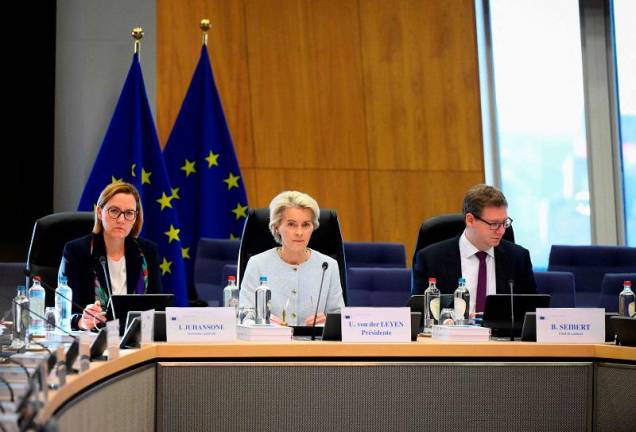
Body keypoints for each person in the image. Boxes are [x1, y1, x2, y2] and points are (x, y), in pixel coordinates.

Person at [412, 184, 536, 316]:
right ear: (470, 220)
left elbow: (532, 313)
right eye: (494, 224)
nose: (501, 231)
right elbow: (419, 316)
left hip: (500, 335)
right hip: (451, 335)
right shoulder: (431, 259)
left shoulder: (518, 258)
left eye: (505, 223)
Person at [58, 182, 162, 330]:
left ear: (135, 218)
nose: (121, 220)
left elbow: (157, 307)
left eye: (129, 213)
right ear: (100, 213)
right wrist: (81, 321)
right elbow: (64, 311)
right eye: (114, 211)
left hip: (138, 337)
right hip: (93, 338)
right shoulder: (77, 251)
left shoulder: (147, 251)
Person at [239, 191, 345, 326]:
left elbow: (340, 317)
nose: (299, 232)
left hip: (314, 345)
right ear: (276, 227)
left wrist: (328, 321)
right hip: (270, 343)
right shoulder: (257, 264)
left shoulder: (329, 266)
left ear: (313, 227)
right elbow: (243, 314)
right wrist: (261, 322)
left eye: (306, 225)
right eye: (291, 224)